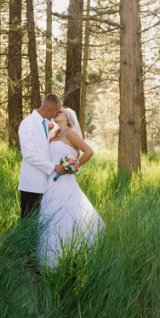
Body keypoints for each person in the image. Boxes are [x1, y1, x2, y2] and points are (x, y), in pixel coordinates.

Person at [38, 107, 104, 270]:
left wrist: (74, 166)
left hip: (65, 181)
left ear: (67, 118)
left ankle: (68, 253)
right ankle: (48, 256)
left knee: (65, 213)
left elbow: (89, 151)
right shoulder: (55, 135)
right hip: (50, 181)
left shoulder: (70, 133)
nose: (56, 114)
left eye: (60, 112)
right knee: (50, 213)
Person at [17, 93, 67, 219]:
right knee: (28, 221)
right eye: (56, 112)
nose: (56, 115)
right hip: (32, 182)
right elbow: (29, 155)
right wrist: (53, 167)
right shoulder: (28, 123)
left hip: (46, 183)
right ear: (49, 110)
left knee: (40, 221)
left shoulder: (47, 123)